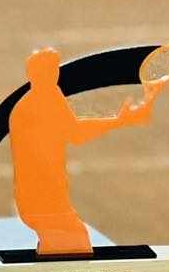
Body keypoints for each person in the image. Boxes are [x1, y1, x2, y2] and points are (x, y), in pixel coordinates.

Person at [9, 46, 155, 256]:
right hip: (42, 200)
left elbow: (71, 129)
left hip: (45, 195)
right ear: (35, 74)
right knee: (76, 242)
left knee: (70, 245)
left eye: (54, 69)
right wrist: (122, 120)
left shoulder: (45, 95)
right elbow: (75, 132)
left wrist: (121, 120)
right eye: (49, 70)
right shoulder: (41, 101)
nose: (54, 74)